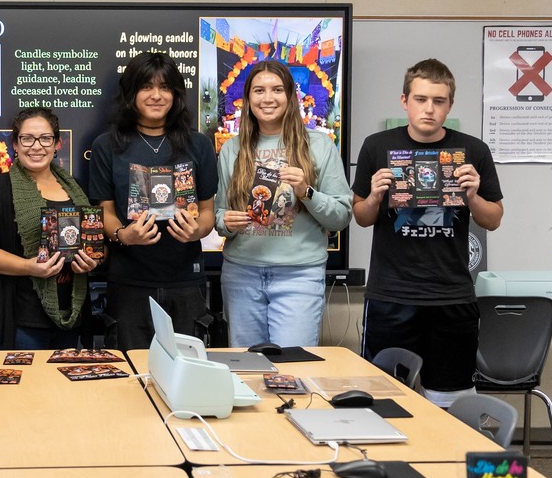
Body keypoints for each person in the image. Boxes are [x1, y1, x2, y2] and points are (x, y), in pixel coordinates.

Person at [352, 58, 503, 408]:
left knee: (451, 402)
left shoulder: (473, 150)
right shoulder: (378, 146)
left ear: (450, 104)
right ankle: (388, 465)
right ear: (404, 100)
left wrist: (472, 196)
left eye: (438, 101)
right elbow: (360, 216)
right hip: (391, 294)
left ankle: (448, 463)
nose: (429, 109)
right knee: (385, 401)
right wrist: (375, 194)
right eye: (420, 99)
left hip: (451, 295)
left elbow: (493, 219)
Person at [214, 60, 352, 347]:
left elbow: (340, 217)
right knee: (248, 369)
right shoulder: (232, 148)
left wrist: (306, 191)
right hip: (241, 274)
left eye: (277, 90)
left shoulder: (319, 145)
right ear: (247, 98)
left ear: (291, 96)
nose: (267, 98)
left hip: (299, 275)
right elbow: (218, 214)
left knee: (295, 370)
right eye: (259, 90)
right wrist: (224, 222)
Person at [89, 52, 217, 352]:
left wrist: (197, 230)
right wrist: (124, 235)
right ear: (131, 92)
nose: (156, 95)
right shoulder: (107, 145)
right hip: (129, 281)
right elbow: (103, 211)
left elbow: (209, 210)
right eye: (146, 87)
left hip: (186, 280)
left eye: (165, 87)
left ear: (176, 94)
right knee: (131, 379)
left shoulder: (197, 144)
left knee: (188, 376)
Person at [0, 107, 98, 349]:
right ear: (15, 143)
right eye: (27, 138)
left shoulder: (74, 187)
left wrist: (93, 259)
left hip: (70, 316)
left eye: (45, 138)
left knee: (61, 388)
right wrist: (27, 267)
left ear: (57, 144)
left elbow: (91, 240)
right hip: (20, 321)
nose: (37, 146)